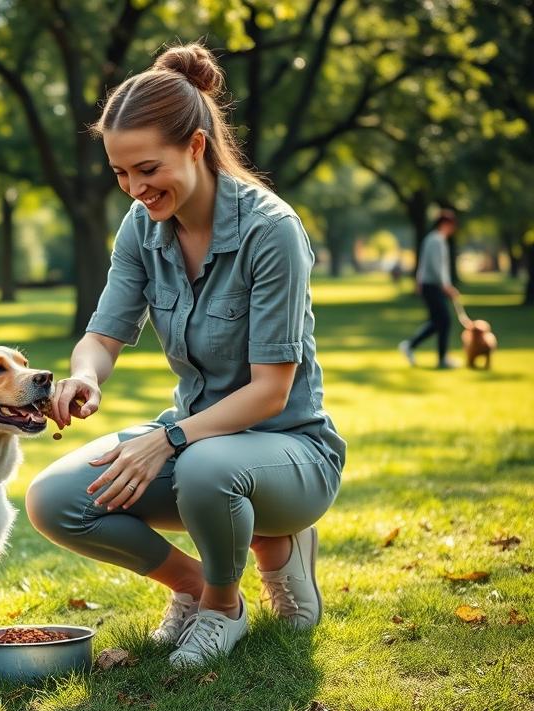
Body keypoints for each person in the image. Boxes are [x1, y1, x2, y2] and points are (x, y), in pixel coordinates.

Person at [25, 43, 346, 668]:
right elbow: (104, 333)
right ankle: (197, 587)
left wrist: (166, 441)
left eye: (147, 169)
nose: (135, 189)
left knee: (204, 468)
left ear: (196, 145)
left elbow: (271, 393)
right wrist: (83, 377)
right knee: (54, 498)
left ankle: (230, 601)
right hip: (200, 446)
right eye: (121, 174)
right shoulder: (142, 226)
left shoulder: (270, 230)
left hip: (293, 452)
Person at [398, 211, 460, 369]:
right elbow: (436, 266)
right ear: (446, 224)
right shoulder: (436, 240)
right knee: (444, 320)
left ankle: (411, 346)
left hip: (430, 285)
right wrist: (446, 286)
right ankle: (442, 358)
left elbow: (424, 264)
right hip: (433, 285)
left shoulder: (433, 239)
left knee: (437, 322)